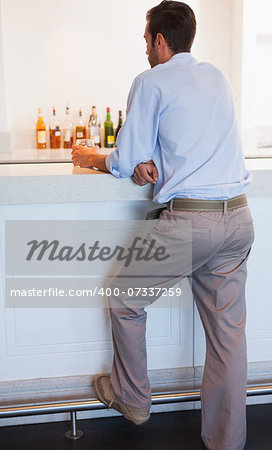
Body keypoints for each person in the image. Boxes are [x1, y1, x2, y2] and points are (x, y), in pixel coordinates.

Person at [72, 2, 254, 449]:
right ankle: (227, 443)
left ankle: (132, 396)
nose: (146, 49)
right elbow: (181, 147)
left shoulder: (151, 81)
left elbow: (123, 159)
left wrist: (87, 155)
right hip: (239, 220)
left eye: (146, 40)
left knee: (124, 297)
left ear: (158, 40)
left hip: (193, 222)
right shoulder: (217, 77)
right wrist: (148, 165)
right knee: (228, 340)